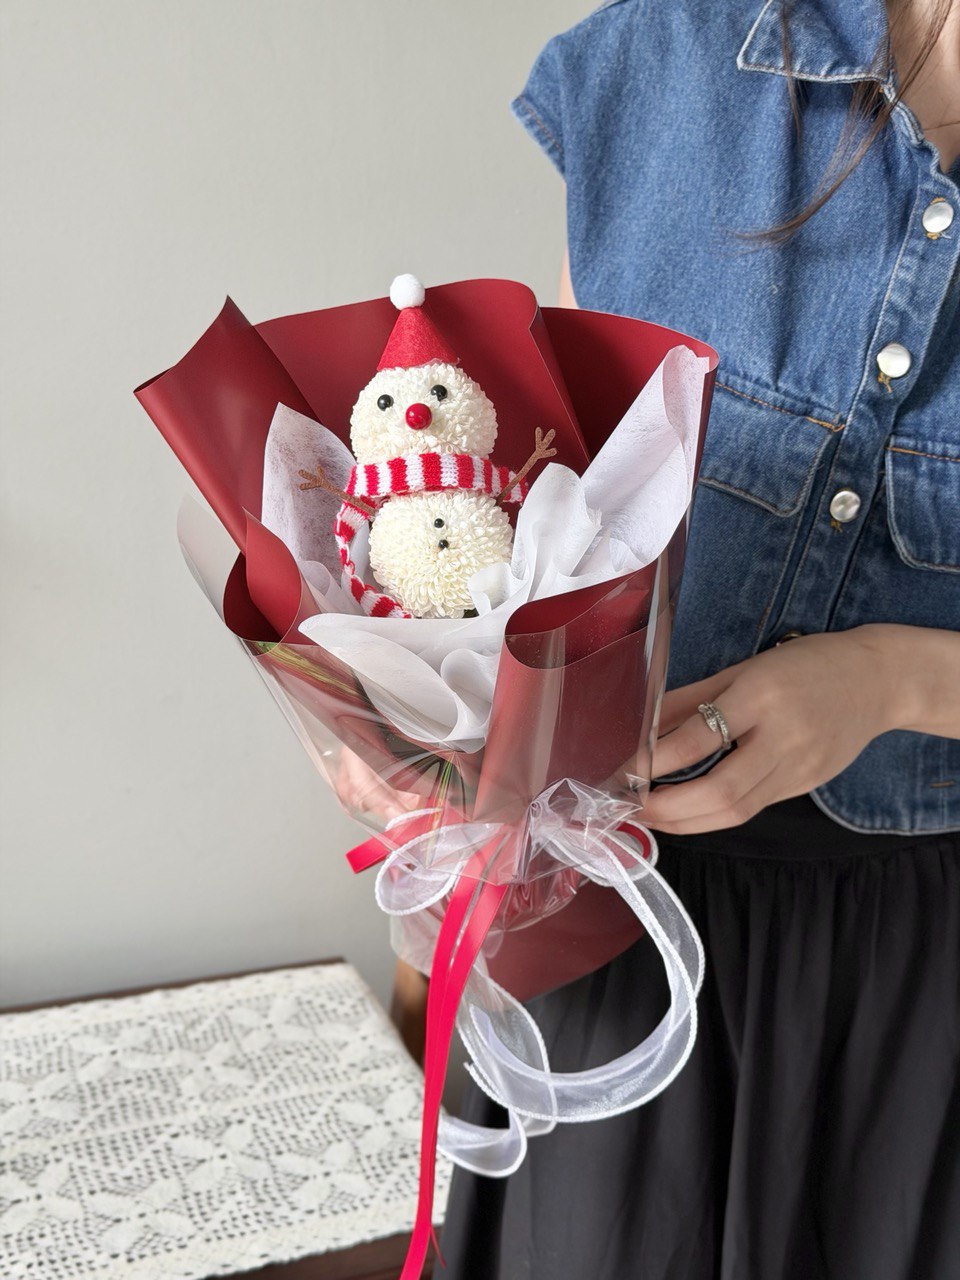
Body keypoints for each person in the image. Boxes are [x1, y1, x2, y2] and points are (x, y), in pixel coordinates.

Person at [431, 2, 960, 1277]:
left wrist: (890, 678)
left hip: (925, 995)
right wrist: (425, 723)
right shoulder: (664, 61)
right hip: (608, 924)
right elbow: (554, 520)